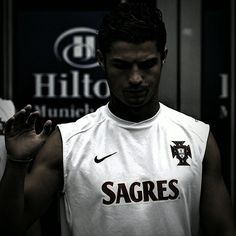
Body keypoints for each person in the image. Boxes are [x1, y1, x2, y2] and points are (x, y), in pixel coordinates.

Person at [0, 2, 236, 236]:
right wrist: (16, 162)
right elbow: (13, 224)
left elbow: (223, 229)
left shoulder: (197, 138)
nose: (135, 78)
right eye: (122, 66)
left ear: (163, 57)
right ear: (101, 60)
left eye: (147, 64)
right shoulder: (68, 143)